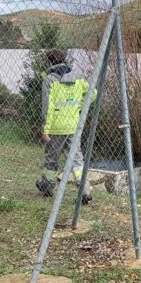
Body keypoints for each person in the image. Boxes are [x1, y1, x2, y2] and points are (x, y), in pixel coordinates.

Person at [38, 49, 95, 205]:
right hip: (73, 125)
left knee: (51, 159)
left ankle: (48, 187)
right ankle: (84, 191)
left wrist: (46, 128)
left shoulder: (50, 80)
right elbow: (93, 93)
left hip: (56, 127)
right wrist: (79, 108)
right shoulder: (77, 78)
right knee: (77, 160)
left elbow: (47, 107)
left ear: (49, 62)